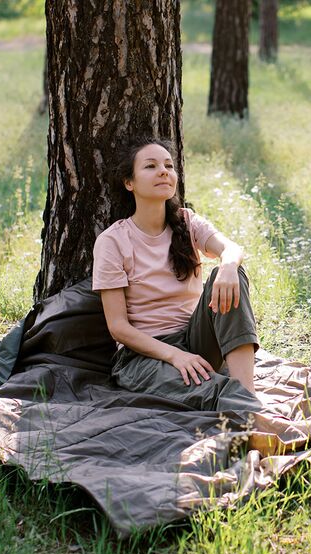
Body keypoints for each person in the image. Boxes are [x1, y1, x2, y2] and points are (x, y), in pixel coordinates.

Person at [92, 137, 263, 413]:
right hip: (145, 357)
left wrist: (229, 266)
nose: (163, 171)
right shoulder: (113, 241)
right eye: (150, 166)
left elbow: (230, 248)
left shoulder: (186, 221)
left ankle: (249, 397)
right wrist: (174, 355)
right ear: (129, 182)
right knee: (207, 390)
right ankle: (258, 419)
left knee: (231, 271)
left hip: (196, 340)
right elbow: (118, 327)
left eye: (169, 165)